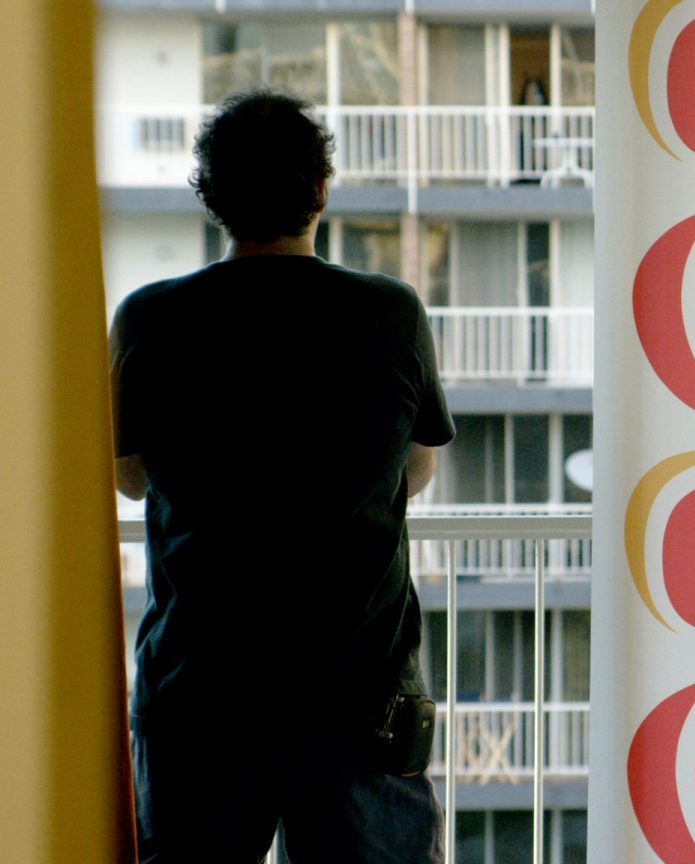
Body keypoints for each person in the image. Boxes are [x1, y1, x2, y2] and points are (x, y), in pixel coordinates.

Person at [110, 89, 454, 864]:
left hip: (201, 695)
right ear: (321, 188)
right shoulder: (390, 314)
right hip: (358, 701)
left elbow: (130, 480)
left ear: (212, 197)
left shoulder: (150, 319)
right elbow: (418, 468)